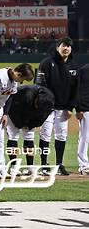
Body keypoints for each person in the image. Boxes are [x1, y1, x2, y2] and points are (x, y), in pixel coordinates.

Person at [0, 64, 34, 178]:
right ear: (18, 74)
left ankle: (1, 168)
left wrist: (5, 114)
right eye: (22, 79)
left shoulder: (14, 81)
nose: (21, 82)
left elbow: (11, 96)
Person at [35, 37, 79, 175]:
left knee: (61, 136)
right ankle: (43, 164)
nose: (66, 48)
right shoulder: (46, 63)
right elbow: (40, 86)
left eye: (69, 46)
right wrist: (44, 105)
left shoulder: (73, 65)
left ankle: (59, 164)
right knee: (45, 135)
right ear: (57, 47)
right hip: (48, 108)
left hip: (63, 109)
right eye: (63, 46)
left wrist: (70, 107)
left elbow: (75, 89)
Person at [4, 84, 55, 176]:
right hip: (13, 109)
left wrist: (31, 124)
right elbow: (13, 110)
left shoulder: (48, 102)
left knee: (29, 137)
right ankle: (13, 167)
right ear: (36, 99)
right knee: (13, 136)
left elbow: (41, 118)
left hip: (29, 113)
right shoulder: (25, 95)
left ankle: (30, 167)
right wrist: (20, 124)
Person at [78, 63, 89, 175]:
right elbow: (80, 91)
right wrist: (80, 108)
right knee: (85, 137)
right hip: (86, 108)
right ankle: (83, 165)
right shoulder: (84, 70)